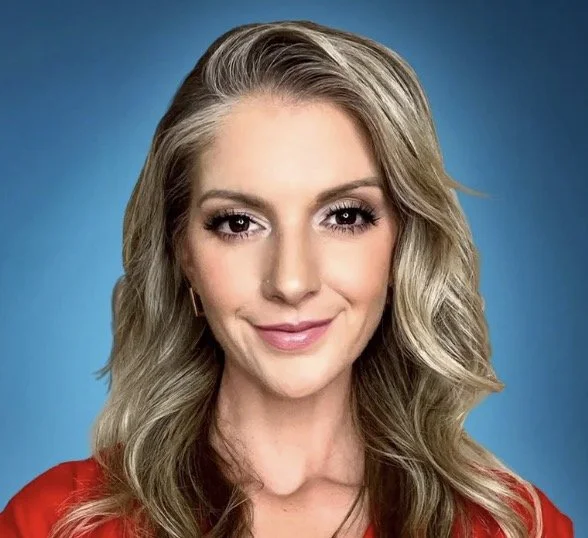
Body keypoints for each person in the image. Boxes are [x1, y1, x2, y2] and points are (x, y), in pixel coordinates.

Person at [0, 19, 574, 538]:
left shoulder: (515, 528)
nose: (292, 281)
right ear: (184, 256)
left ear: (404, 245)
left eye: (344, 217)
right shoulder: (55, 524)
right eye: (238, 223)